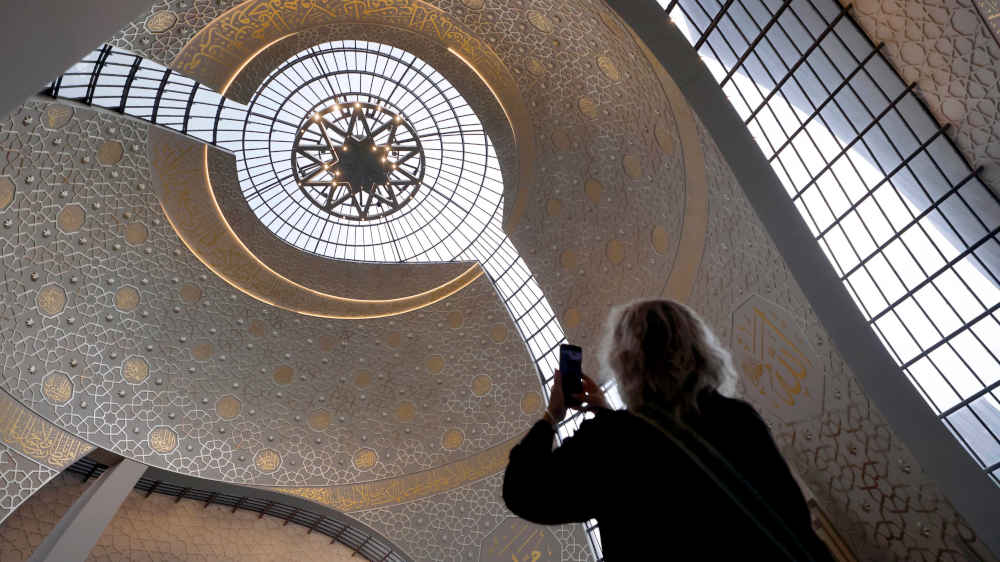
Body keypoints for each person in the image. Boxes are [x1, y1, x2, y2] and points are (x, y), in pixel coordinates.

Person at [503, 299, 834, 561]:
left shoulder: (613, 444)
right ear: (698, 349)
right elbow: (791, 518)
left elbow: (523, 491)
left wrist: (552, 415)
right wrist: (609, 418)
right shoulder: (738, 419)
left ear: (624, 364)